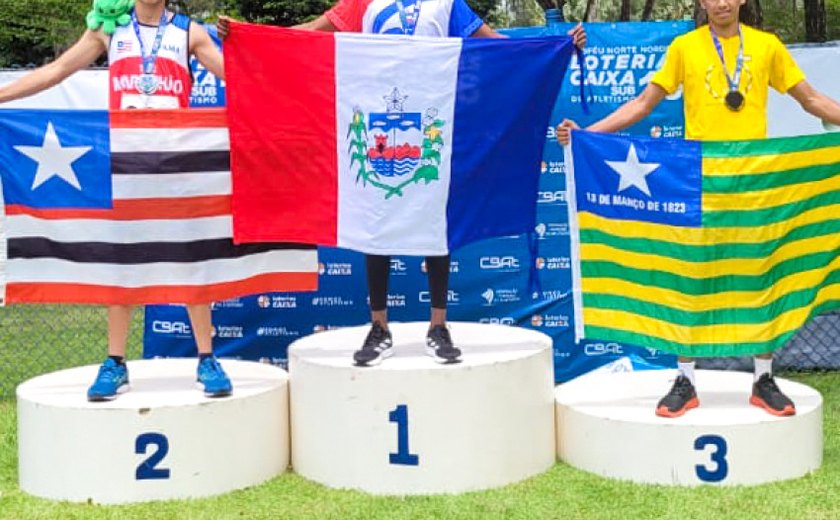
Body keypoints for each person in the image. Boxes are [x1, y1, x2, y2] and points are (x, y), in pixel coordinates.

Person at [219, 2, 586, 367]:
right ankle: (379, 327)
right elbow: (313, 31)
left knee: (436, 220)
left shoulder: (446, 4)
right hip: (374, 115)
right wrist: (247, 35)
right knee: (376, 222)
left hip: (429, 118)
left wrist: (557, 48)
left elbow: (499, 46)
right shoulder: (364, 2)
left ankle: (438, 327)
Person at [557, 0, 840, 417]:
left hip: (753, 184)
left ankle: (763, 378)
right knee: (690, 277)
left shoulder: (767, 46)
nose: (722, 3)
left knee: (758, 277)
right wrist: (588, 134)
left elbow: (811, 98)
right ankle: (686, 381)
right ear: (702, 3)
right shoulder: (684, 47)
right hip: (695, 181)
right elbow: (642, 104)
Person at [0, 0, 233, 400]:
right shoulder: (109, 30)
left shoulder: (189, 32)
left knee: (192, 260)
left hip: (178, 165)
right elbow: (55, 71)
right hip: (125, 164)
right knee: (120, 264)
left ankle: (206, 358)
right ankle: (115, 362)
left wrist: (245, 44)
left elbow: (239, 77)